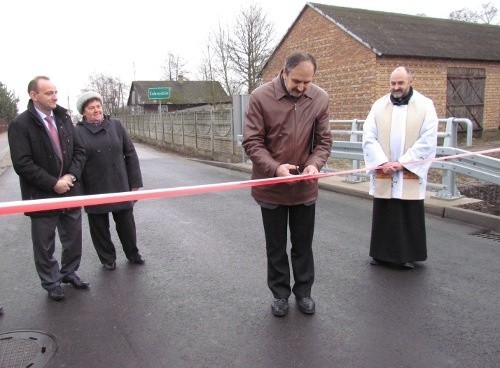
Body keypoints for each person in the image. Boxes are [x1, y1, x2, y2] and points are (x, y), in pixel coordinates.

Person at [242, 52, 332, 316]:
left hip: (304, 189)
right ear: (284, 72)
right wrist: (274, 168)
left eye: (307, 82)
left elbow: (324, 142)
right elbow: (252, 142)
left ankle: (304, 292)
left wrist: (315, 164)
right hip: (271, 189)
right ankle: (280, 294)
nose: (302, 87)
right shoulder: (261, 97)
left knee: (303, 245)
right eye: (297, 81)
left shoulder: (319, 99)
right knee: (276, 246)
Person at [8, 76, 89, 301]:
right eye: (49, 93)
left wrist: (71, 176)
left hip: (70, 191)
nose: (55, 96)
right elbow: (22, 163)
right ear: (33, 95)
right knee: (44, 245)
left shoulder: (64, 119)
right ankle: (51, 282)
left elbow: (80, 151)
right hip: (41, 195)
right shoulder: (20, 124)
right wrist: (54, 183)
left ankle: (69, 272)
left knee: (73, 237)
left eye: (55, 92)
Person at [362, 66, 438, 269]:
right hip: (385, 168)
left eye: (400, 83)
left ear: (410, 82)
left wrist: (405, 161)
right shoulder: (379, 105)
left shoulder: (425, 105)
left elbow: (428, 138)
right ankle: (381, 254)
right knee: (385, 209)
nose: (396, 87)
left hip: (409, 168)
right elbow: (368, 135)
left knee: (407, 210)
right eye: (393, 83)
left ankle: (407, 255)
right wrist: (381, 162)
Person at [75, 91, 144, 271]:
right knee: (99, 227)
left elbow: (130, 153)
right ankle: (107, 259)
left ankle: (132, 253)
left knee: (126, 224)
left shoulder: (116, 125)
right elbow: (76, 161)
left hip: (120, 183)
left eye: (98, 106)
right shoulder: (78, 132)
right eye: (91, 108)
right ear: (84, 112)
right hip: (94, 186)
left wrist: (134, 183)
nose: (96, 110)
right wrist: (78, 191)